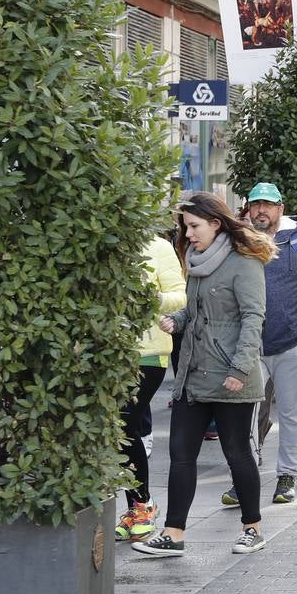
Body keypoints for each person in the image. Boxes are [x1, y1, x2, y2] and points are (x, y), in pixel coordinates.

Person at [134, 192, 274, 558]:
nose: (188, 234)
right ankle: (173, 533)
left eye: (194, 226)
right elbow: (196, 312)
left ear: (215, 223)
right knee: (181, 453)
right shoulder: (196, 262)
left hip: (231, 376)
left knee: (237, 452)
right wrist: (176, 321)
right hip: (194, 374)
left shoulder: (244, 263)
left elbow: (252, 319)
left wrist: (240, 368)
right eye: (185, 227)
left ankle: (252, 528)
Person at [222, 182, 297, 507]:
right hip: (251, 347)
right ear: (248, 209)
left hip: (295, 343)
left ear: (280, 208)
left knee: (293, 415)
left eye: (268, 205)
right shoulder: (240, 242)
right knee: (246, 414)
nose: (261, 211)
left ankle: (287, 476)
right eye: (256, 204)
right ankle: (244, 477)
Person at [115, 232, 187, 542]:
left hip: (148, 353)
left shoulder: (158, 247)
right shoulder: (104, 246)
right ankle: (137, 506)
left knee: (126, 426)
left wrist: (150, 297)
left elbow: (180, 295)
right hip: (109, 352)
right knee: (121, 430)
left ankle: (142, 505)